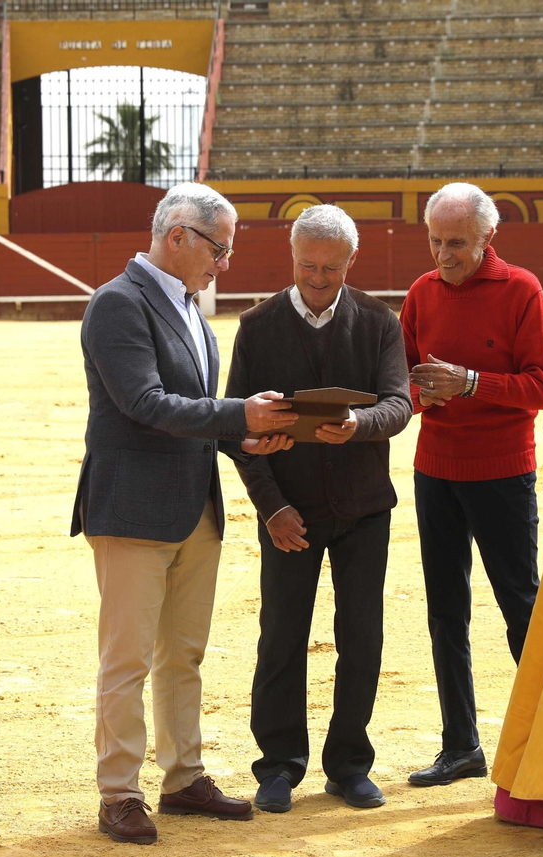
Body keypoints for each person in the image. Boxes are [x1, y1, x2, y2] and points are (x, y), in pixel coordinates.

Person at [73, 182, 297, 845]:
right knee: (127, 658)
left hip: (194, 505)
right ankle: (119, 791)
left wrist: (241, 440)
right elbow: (145, 403)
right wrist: (240, 414)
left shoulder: (192, 310)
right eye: (218, 249)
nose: (225, 262)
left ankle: (183, 776)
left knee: (184, 654)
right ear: (178, 236)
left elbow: (193, 415)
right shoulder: (118, 302)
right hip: (133, 509)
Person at [224, 204, 412, 814]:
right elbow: (236, 429)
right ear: (293, 256)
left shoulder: (379, 321)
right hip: (290, 512)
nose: (319, 278)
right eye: (308, 266)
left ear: (351, 261)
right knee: (281, 636)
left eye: (332, 268)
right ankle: (278, 765)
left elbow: (399, 405)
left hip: (364, 509)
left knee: (361, 637)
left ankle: (349, 764)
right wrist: (272, 507)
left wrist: (359, 423)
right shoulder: (257, 326)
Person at [400, 182, 543, 788]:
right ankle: (460, 744)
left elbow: (542, 385)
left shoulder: (522, 289)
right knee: (446, 611)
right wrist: (422, 396)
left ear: (488, 236)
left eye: (457, 243)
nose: (444, 254)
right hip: (435, 470)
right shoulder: (421, 292)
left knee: (521, 605)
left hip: (502, 472)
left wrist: (469, 383)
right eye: (435, 241)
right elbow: (403, 384)